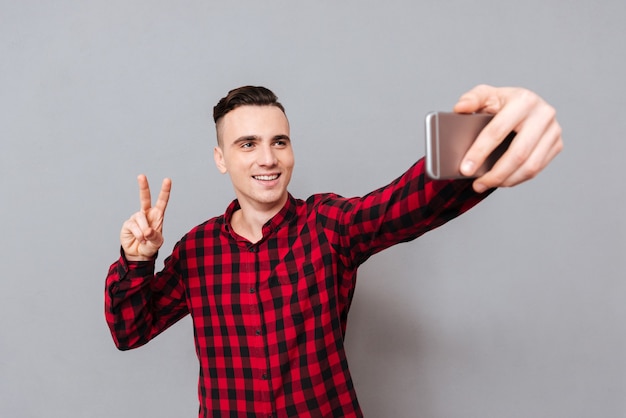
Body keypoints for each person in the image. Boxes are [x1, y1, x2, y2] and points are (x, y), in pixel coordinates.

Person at [105, 84, 562, 418]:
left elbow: (407, 203)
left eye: (278, 141)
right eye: (248, 144)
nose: (268, 158)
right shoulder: (197, 251)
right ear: (221, 159)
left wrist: (488, 137)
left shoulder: (329, 225)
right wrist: (137, 261)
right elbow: (130, 330)